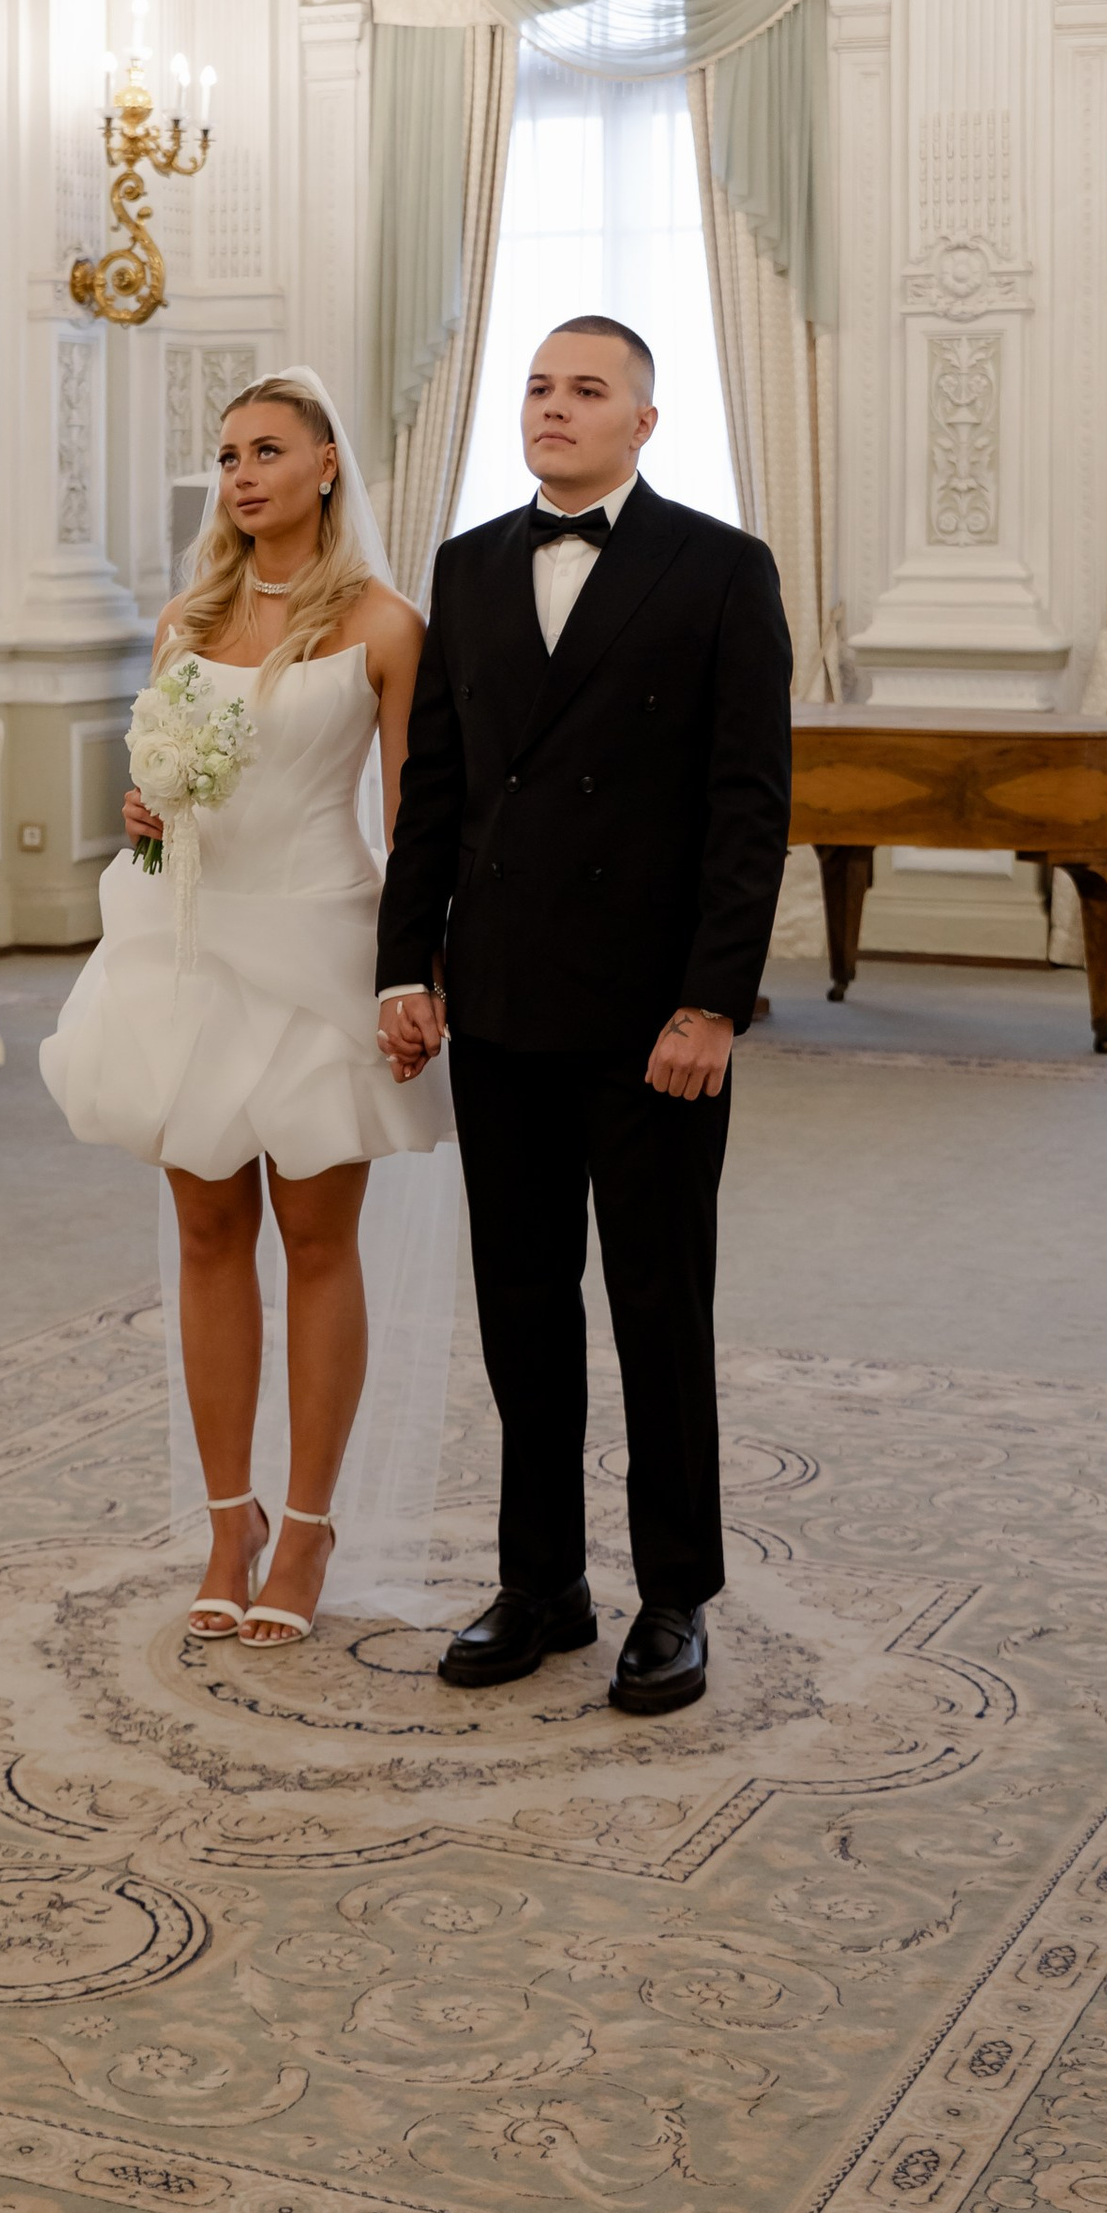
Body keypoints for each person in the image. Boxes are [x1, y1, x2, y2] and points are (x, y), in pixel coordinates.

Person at [376, 316, 792, 1718]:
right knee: (522, 1315)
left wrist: (714, 1001)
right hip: (497, 1007)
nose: (554, 406)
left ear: (645, 422)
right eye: (540, 386)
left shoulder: (723, 569)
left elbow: (749, 806)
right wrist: (403, 965)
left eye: (587, 388)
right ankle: (541, 1582)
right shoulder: (469, 564)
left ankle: (675, 1595)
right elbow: (436, 786)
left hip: (652, 1017)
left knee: (658, 1310)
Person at [41, 372, 448, 1651]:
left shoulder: (385, 626)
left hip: (320, 944)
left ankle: (311, 1523)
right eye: (225, 457)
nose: (241, 477)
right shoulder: (185, 621)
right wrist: (145, 811)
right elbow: (165, 784)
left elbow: (416, 822)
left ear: (327, 466)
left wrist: (410, 969)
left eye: (266, 451)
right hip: (188, 950)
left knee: (317, 1242)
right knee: (208, 1234)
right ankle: (233, 1521)